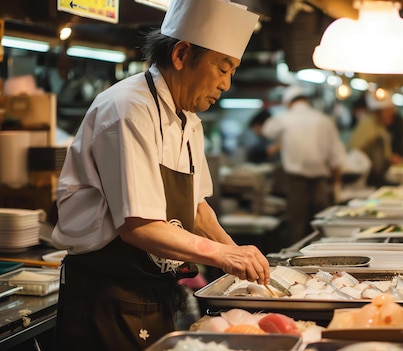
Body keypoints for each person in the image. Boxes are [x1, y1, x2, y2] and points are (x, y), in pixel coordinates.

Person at [50, 1, 270, 350]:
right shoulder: (128, 110)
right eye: (222, 68)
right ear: (182, 54)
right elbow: (139, 226)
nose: (227, 84)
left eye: (233, 71)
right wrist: (223, 256)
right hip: (107, 298)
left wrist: (241, 258)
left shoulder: (188, 119)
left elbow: (198, 210)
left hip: (153, 291)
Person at [261, 85, 347, 246]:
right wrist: (337, 187)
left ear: (288, 102)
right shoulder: (324, 119)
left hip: (296, 183)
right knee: (321, 228)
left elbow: (266, 131)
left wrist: (282, 141)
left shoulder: (285, 118)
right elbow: (337, 157)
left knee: (297, 229)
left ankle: (297, 264)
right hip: (320, 182)